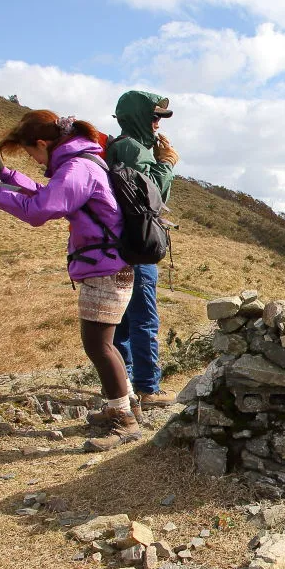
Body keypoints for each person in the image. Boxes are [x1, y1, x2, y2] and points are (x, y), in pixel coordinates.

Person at [0, 110, 141, 450]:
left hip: (106, 267)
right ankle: (126, 406)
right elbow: (48, 195)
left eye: (30, 153)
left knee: (98, 346)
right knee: (105, 344)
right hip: (108, 264)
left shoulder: (78, 167)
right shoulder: (80, 162)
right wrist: (5, 175)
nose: (34, 160)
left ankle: (124, 421)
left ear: (43, 143)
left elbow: (40, 210)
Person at [107, 91, 180, 408]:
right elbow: (149, 199)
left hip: (119, 246)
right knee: (144, 321)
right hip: (136, 246)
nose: (156, 124)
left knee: (121, 322)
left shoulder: (121, 147)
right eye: (153, 117)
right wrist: (167, 165)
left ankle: (122, 390)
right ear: (137, 117)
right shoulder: (133, 150)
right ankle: (148, 389)